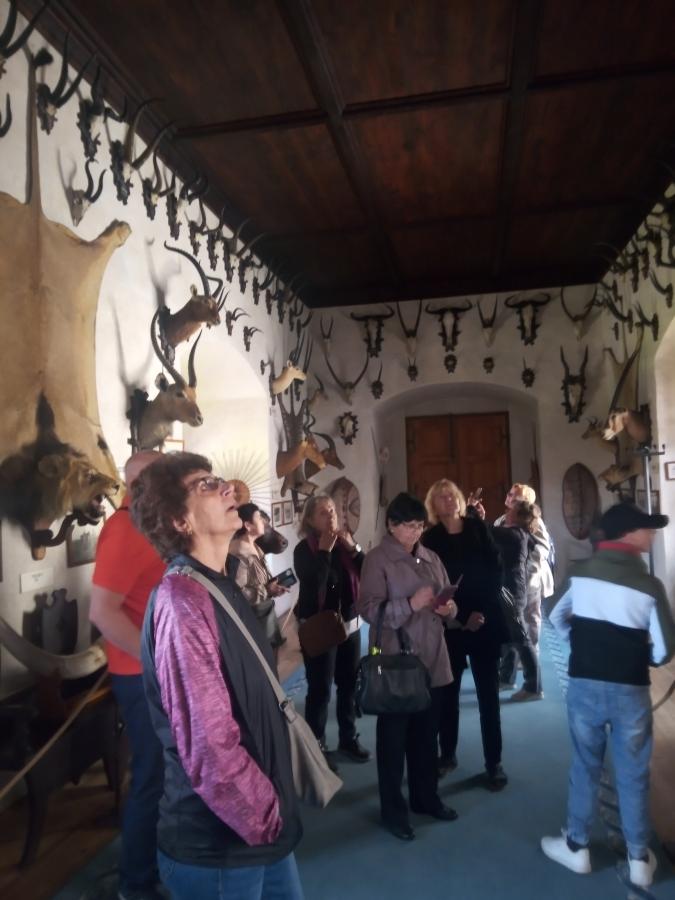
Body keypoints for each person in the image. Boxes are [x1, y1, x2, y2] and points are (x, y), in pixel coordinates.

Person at [130, 452, 303, 900]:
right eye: (205, 485)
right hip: (222, 843)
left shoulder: (218, 584)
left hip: (259, 822)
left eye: (218, 479)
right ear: (180, 520)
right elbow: (208, 746)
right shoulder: (182, 602)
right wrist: (267, 815)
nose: (227, 487)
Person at [542, 501, 675, 889]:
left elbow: (554, 615)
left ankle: (576, 846)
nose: (652, 535)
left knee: (586, 765)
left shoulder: (580, 574)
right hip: (630, 689)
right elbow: (664, 651)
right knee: (633, 772)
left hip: (585, 683)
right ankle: (638, 858)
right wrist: (638, 656)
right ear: (628, 535)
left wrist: (579, 645)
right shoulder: (649, 586)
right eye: (647, 529)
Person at [358, 492, 459, 842]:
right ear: (391, 525)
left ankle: (425, 798)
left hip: (433, 658)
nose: (415, 532)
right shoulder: (377, 560)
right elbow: (368, 610)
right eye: (409, 526)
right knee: (393, 743)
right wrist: (410, 604)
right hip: (397, 662)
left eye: (419, 526)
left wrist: (449, 609)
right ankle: (393, 812)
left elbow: (450, 602)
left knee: (426, 737)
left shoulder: (430, 556)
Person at [90, 450, 166, 900]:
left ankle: (154, 866)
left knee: (162, 775)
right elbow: (103, 613)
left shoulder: (148, 525)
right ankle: (135, 882)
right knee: (151, 777)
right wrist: (155, 659)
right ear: (140, 484)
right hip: (140, 675)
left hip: (151, 671)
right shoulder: (125, 529)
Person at [421, 479, 510, 790]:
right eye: (441, 497)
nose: (448, 500)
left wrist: (478, 612)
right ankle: (447, 755)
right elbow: (431, 584)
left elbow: (496, 571)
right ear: (433, 505)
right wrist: (459, 617)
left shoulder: (478, 529)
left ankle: (494, 762)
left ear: (460, 500)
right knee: (448, 695)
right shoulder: (430, 539)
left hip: (484, 621)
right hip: (451, 626)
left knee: (489, 697)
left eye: (452, 495)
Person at [293, 493, 370, 769]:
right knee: (320, 689)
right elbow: (315, 583)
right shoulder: (304, 550)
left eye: (333, 512)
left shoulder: (344, 544)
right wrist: (324, 552)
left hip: (350, 625)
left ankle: (348, 738)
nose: (331, 517)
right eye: (323, 513)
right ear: (310, 520)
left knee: (348, 685)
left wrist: (354, 548)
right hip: (321, 627)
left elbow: (368, 571)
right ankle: (317, 747)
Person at [492, 500, 543, 701]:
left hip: (512, 592)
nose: (507, 511)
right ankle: (506, 678)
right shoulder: (519, 534)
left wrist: (471, 511)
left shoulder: (514, 534)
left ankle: (534, 687)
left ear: (518, 516)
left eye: (511, 510)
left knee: (521, 639)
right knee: (510, 637)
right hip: (511, 590)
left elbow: (485, 531)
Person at [495, 483, 554, 650]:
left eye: (515, 495)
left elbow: (542, 548)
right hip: (509, 577)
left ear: (525, 501)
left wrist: (526, 569)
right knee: (511, 617)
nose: (509, 497)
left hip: (530, 577)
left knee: (530, 616)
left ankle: (532, 650)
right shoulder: (501, 520)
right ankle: (513, 652)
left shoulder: (534, 520)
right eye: (509, 493)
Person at [228, 502, 288, 657]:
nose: (263, 522)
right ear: (248, 525)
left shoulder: (255, 547)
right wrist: (266, 590)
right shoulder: (238, 554)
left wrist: (273, 588)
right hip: (255, 620)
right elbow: (237, 594)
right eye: (259, 518)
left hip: (265, 613)